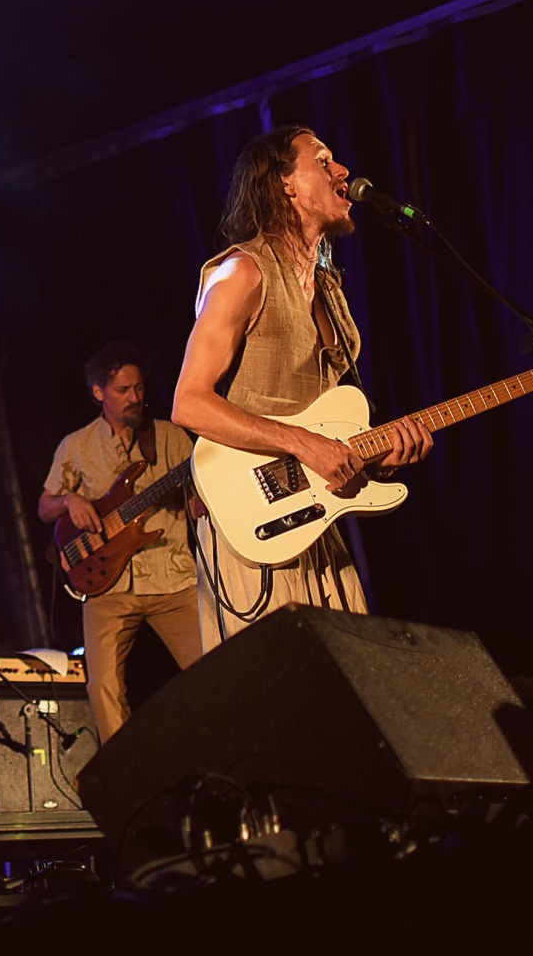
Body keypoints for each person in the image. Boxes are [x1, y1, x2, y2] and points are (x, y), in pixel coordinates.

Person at [170, 126, 431, 648]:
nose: (343, 171)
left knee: (353, 680)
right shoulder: (243, 272)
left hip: (314, 520)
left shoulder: (330, 291)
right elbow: (189, 403)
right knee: (277, 691)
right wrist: (305, 443)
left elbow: (323, 424)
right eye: (324, 160)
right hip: (249, 526)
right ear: (285, 183)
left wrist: (374, 457)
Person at [38, 342, 201, 744]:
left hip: (173, 578)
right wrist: (69, 501)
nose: (134, 397)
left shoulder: (170, 436)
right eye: (123, 390)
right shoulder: (76, 445)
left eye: (139, 388)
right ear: (98, 392)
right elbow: (44, 507)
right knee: (103, 688)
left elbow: (199, 500)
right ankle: (125, 771)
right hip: (108, 588)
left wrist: (200, 498)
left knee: (212, 673)